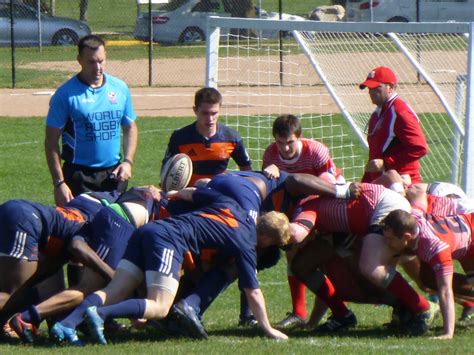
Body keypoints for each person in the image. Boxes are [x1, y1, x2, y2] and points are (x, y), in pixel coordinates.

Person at [50, 181, 291, 345]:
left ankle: (67, 324)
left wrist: (167, 195)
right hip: (167, 240)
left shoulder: (233, 206)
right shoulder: (247, 242)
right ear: (267, 239)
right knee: (160, 306)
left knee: (115, 289)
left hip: (148, 228)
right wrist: (268, 328)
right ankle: (100, 314)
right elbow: (253, 291)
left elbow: (191, 192)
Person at [5, 186, 163, 344]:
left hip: (21, 213)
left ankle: (28, 321)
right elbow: (77, 247)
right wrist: (113, 277)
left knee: (29, 285)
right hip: (27, 220)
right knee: (9, 291)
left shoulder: (86, 205)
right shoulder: (94, 220)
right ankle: (26, 319)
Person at [262, 114, 343, 329]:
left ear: (299, 137)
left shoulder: (316, 150)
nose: (285, 149)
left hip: (324, 202)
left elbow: (328, 184)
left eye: (290, 143)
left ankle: (336, 311)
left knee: (326, 259)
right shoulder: (271, 154)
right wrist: (269, 173)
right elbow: (273, 189)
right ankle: (304, 313)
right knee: (293, 253)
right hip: (295, 207)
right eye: (280, 143)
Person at [45, 34, 138, 208]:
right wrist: (59, 183)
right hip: (78, 176)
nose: (98, 68)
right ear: (79, 60)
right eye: (91, 62)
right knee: (77, 230)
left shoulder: (120, 88)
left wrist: (128, 162)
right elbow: (50, 143)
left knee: (115, 230)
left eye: (101, 61)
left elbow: (130, 127)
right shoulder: (65, 94)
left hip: (114, 175)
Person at [382, 208, 474, 339]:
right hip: (465, 230)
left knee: (441, 283)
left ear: (407, 237)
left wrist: (448, 333)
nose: (386, 243)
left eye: (390, 239)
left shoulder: (434, 247)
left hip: (469, 236)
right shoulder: (412, 217)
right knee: (427, 278)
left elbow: (445, 291)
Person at [162, 87, 252, 187]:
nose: (210, 119)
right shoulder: (180, 138)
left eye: (214, 113)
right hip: (187, 196)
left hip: (219, 194)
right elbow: (166, 168)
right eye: (205, 113)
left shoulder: (232, 137)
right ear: (195, 110)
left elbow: (246, 168)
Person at [359, 66, 428, 185]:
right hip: (380, 184)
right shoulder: (377, 113)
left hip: (402, 185)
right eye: (369, 88)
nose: (371, 92)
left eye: (376, 88)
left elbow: (419, 148)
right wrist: (365, 183)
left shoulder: (400, 112)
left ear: (390, 87)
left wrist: (386, 163)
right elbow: (375, 157)